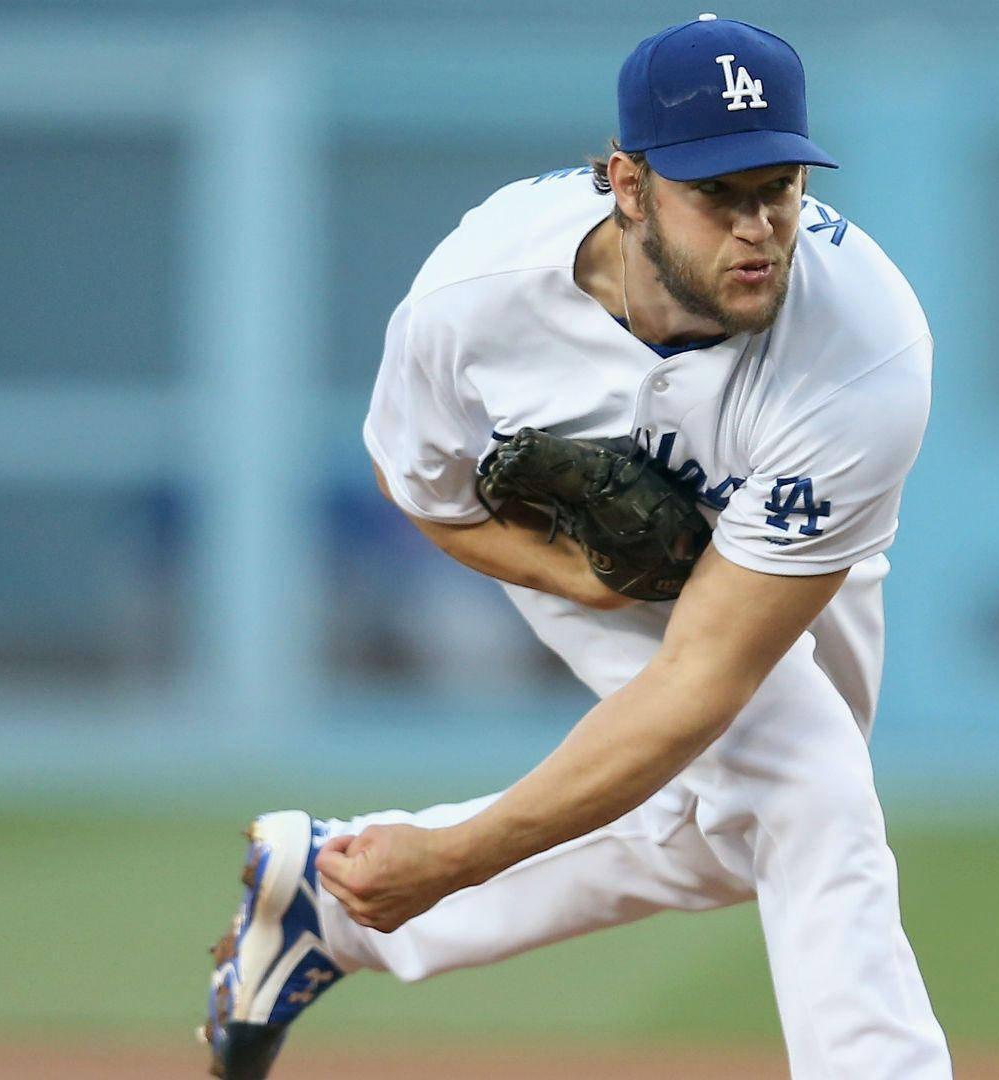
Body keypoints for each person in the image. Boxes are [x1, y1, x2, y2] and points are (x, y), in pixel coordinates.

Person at [202, 14, 953, 1079]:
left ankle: (332, 901)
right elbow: (415, 486)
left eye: (777, 188)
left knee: (735, 834)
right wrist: (579, 579)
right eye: (718, 195)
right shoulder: (474, 295)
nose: (759, 229)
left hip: (772, 561)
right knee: (806, 783)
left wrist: (457, 859)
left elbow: (705, 675)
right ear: (629, 185)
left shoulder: (861, 350)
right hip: (569, 552)